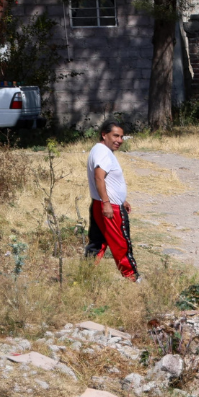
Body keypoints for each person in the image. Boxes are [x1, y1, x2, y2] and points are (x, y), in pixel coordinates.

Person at [85, 120, 139, 281]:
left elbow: (108, 181)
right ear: (104, 134)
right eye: (115, 135)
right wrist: (108, 203)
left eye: (121, 137)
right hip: (110, 208)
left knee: (97, 243)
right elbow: (99, 178)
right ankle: (132, 278)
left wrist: (122, 199)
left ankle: (85, 274)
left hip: (102, 203)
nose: (119, 140)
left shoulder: (100, 150)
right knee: (121, 243)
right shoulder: (102, 151)